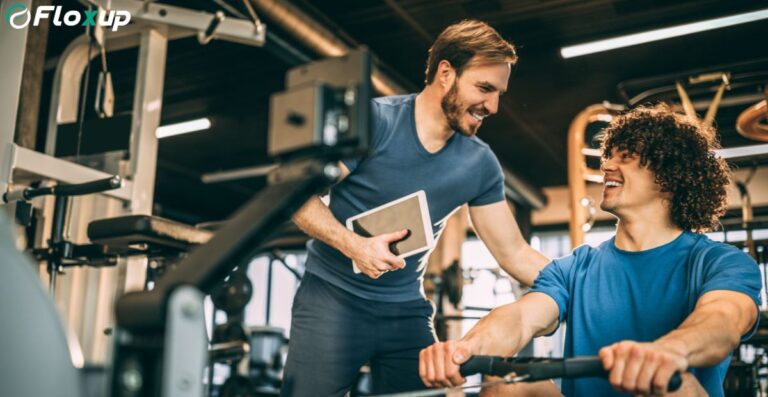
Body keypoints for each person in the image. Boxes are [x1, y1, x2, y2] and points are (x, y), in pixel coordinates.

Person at [281, 20, 550, 396]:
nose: (492, 106)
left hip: (405, 308)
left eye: (499, 94)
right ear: (446, 73)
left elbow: (515, 252)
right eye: (484, 88)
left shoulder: (480, 164)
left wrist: (581, 284)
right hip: (332, 298)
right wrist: (354, 245)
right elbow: (297, 197)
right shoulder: (375, 123)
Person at [419, 105, 762, 397]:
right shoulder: (576, 267)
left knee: (673, 384)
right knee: (505, 386)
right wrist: (465, 349)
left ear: (669, 176)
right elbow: (520, 318)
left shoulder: (719, 262)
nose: (607, 165)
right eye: (609, 156)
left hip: (669, 388)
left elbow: (722, 320)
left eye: (626, 157)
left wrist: (671, 351)